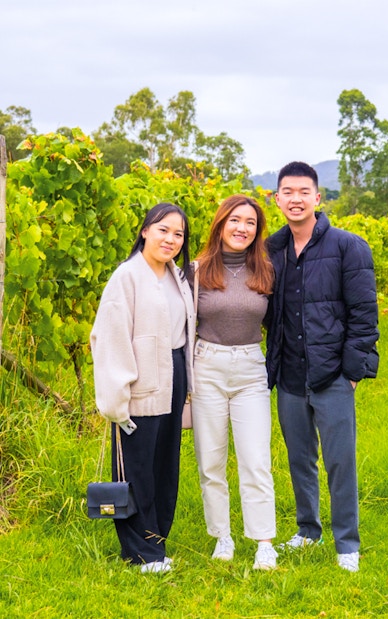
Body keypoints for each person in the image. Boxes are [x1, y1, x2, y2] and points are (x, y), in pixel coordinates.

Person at [265, 162, 379, 573]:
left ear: (317, 197)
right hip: (290, 377)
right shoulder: (271, 251)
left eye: (303, 191)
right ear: (276, 199)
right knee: (300, 458)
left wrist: (351, 372)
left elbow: (364, 316)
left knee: (339, 460)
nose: (295, 199)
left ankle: (347, 541)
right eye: (286, 192)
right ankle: (308, 530)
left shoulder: (349, 246)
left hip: (332, 376)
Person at [90, 203, 195, 574]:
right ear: (145, 231)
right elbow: (110, 338)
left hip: (173, 376)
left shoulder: (177, 276)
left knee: (164, 466)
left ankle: (157, 543)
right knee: (137, 469)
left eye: (178, 234)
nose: (170, 239)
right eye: (163, 230)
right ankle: (140, 553)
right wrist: (117, 401)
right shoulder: (127, 277)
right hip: (139, 383)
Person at [190, 194, 278, 570]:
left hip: (249, 370)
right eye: (235, 220)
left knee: (255, 459)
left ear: (257, 231)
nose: (242, 228)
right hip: (207, 366)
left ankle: (263, 543)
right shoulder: (195, 270)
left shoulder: (267, 270)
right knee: (211, 460)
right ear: (221, 224)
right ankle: (222, 537)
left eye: (251, 223)